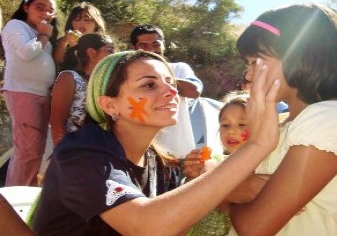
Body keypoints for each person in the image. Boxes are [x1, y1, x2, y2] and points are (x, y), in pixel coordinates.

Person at [31, 50, 281, 235]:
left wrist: (204, 175)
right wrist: (256, 145)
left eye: (170, 83)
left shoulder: (161, 162)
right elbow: (146, 227)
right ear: (110, 104)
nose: (171, 92)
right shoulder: (83, 151)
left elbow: (174, 223)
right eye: (149, 84)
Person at [230, 3, 337, 235]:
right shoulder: (286, 122)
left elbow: (253, 227)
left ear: (299, 55)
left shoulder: (330, 118)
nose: (248, 74)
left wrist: (227, 196)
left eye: (255, 61)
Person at [130, 24, 223, 157]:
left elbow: (195, 90)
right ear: (134, 48)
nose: (151, 50)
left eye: (156, 44)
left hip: (179, 153)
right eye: (143, 46)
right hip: (142, 149)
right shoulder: (127, 74)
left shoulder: (179, 68)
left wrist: (156, 82)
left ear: (164, 45)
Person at [185, 92, 269, 236]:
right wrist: (191, 177)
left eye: (242, 124)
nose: (232, 130)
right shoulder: (213, 162)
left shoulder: (266, 166)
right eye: (225, 125)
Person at [1, 0, 58, 186]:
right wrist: (44, 36)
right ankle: (12, 202)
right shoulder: (16, 25)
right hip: (23, 92)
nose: (45, 12)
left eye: (49, 9)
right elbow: (27, 52)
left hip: (42, 94)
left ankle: (27, 194)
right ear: (26, 7)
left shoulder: (42, 33)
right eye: (39, 7)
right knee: (28, 150)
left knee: (36, 150)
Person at [51, 33, 114, 146]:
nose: (114, 55)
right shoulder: (69, 78)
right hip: (74, 151)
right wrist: (62, 153)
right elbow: (57, 122)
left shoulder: (104, 83)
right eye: (110, 51)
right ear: (91, 53)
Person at [53, 2, 106, 67]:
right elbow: (54, 64)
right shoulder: (63, 41)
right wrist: (63, 43)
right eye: (76, 19)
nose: (81, 22)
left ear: (96, 23)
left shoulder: (104, 45)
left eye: (86, 19)